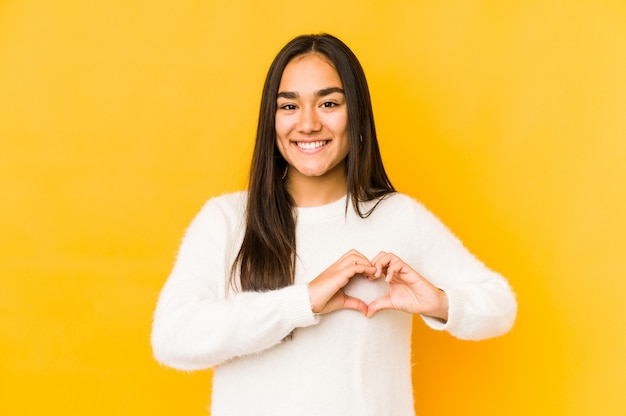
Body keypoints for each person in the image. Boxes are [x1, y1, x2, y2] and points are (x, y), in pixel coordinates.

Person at [151, 33, 517, 416]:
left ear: (355, 113)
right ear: (271, 119)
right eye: (289, 106)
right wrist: (303, 301)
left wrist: (441, 303)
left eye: (328, 103)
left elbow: (500, 305)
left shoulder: (397, 216)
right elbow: (173, 337)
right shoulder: (227, 221)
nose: (308, 124)